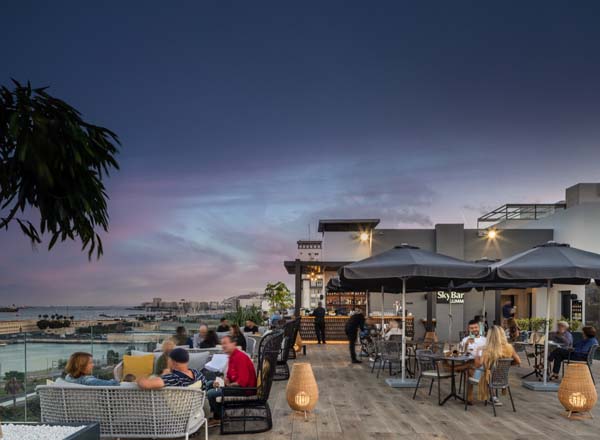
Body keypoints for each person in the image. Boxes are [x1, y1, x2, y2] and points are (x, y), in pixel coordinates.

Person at [206, 335, 257, 427]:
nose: (223, 346)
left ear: (233, 344)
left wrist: (227, 386)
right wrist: (223, 381)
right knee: (210, 384)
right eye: (222, 344)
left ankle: (221, 418)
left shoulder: (240, 357)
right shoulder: (231, 357)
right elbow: (229, 376)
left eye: (225, 343)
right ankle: (217, 416)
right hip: (237, 386)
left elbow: (243, 382)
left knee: (211, 393)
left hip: (245, 390)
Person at [467, 325, 520, 404]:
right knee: (486, 371)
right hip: (502, 377)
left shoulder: (487, 350)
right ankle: (493, 396)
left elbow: (478, 365)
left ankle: (469, 399)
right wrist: (505, 365)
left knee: (470, 370)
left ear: (490, 336)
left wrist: (477, 352)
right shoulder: (509, 347)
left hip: (489, 379)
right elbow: (518, 361)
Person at [138, 348, 207, 389]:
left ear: (173, 362)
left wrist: (138, 379)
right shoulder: (198, 374)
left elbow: (146, 384)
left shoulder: (173, 378)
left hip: (173, 411)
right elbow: (205, 388)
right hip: (194, 408)